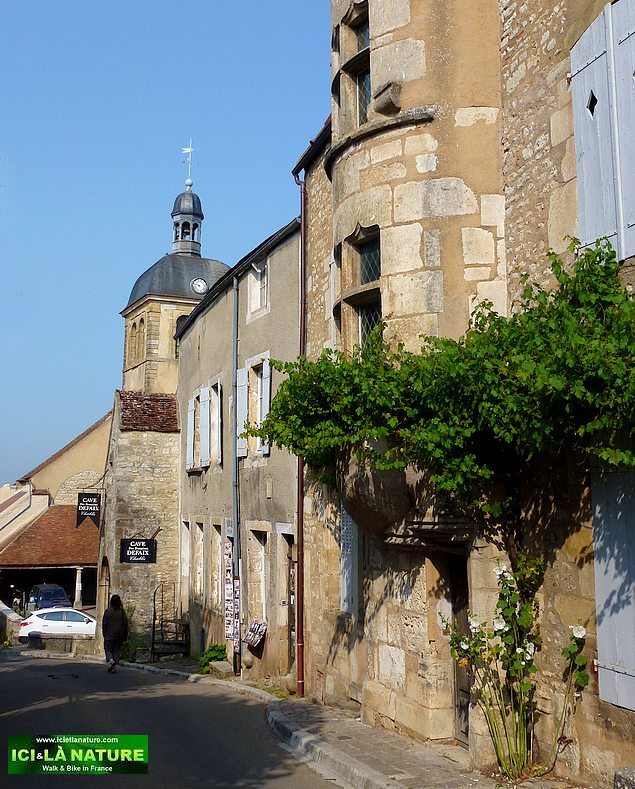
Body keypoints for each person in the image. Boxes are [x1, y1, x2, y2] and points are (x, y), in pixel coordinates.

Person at [102, 594, 128, 673]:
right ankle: (113, 667)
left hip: (109, 634)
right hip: (119, 635)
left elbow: (104, 623)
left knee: (108, 649)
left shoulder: (107, 611)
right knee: (116, 650)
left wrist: (104, 633)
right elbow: (125, 624)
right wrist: (125, 635)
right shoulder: (122, 612)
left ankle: (111, 661)